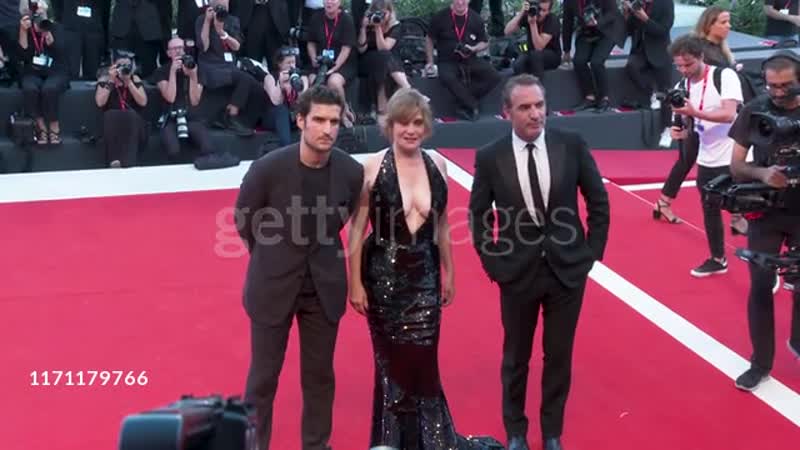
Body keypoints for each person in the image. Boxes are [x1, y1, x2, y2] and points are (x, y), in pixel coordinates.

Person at [347, 88, 499, 450]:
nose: (410, 130)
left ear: (427, 126)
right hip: (383, 275)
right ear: (390, 125)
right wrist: (354, 284)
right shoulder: (370, 167)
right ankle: (393, 442)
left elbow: (443, 225)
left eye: (417, 123)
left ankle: (432, 441)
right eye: (403, 122)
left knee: (424, 364)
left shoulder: (438, 164)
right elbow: (356, 230)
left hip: (426, 276)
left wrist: (450, 271)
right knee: (392, 367)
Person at [469, 74, 610, 450]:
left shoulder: (572, 144)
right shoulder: (489, 156)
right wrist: (493, 263)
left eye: (539, 106)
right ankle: (516, 430)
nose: (535, 114)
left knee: (558, 356)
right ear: (507, 113)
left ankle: (552, 433)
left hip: (567, 270)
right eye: (525, 107)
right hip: (516, 273)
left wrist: (590, 254)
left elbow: (598, 201)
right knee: (516, 357)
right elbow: (479, 216)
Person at [237, 85, 365, 450]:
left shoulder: (350, 171)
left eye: (334, 121)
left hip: (324, 286)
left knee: (320, 376)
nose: (328, 129)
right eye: (319, 120)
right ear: (300, 121)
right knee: (262, 379)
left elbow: (345, 220)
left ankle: (316, 445)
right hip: (272, 284)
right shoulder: (267, 169)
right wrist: (272, 256)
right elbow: (244, 220)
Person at [727, 51, 800, 390]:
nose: (778, 92)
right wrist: (762, 172)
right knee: (759, 286)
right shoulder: (754, 109)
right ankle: (760, 363)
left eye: (786, 85)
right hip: (767, 209)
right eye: (772, 85)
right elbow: (736, 165)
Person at [667, 35, 742, 277]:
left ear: (700, 57)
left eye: (687, 64)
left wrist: (694, 111)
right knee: (710, 210)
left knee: (749, 212)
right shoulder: (683, 86)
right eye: (678, 65)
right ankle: (718, 258)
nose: (683, 70)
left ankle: (771, 266)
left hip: (737, 155)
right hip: (707, 156)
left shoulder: (724, 76)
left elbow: (730, 114)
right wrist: (681, 130)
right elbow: (691, 124)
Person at [152, 37, 215, 161]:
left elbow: (195, 100)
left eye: (181, 48)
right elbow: (170, 97)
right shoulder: (161, 71)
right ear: (168, 53)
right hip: (170, 116)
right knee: (173, 150)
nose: (178, 51)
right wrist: (172, 72)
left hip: (191, 115)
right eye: (174, 49)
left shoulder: (196, 69)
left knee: (208, 147)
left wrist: (192, 76)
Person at [18, 2, 69, 145]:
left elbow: (62, 52)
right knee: (30, 88)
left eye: (43, 15)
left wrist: (50, 38)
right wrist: (23, 31)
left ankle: (54, 125)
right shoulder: (27, 29)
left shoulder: (57, 28)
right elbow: (24, 55)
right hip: (32, 71)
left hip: (56, 70)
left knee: (49, 89)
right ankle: (40, 125)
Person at [561, 0, 625, 112]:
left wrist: (598, 22)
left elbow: (613, 13)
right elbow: (567, 23)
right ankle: (590, 97)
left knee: (597, 62)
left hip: (608, 30)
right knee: (579, 61)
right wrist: (566, 50)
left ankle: (605, 99)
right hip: (586, 31)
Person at [356, 0, 415, 120]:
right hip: (367, 60)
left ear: (390, 12)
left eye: (383, 13)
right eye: (377, 13)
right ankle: (407, 88)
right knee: (383, 59)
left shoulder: (395, 26)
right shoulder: (368, 22)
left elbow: (384, 48)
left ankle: (383, 108)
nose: (380, 16)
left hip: (388, 61)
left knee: (383, 58)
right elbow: (361, 50)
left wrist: (377, 29)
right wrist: (363, 28)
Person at [307, 0, 358, 127]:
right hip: (321, 61)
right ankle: (318, 117)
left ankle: (343, 112)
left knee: (333, 81)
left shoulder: (346, 20)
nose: (329, 2)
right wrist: (313, 58)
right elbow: (311, 42)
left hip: (343, 62)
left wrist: (336, 67)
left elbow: (346, 49)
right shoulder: (316, 18)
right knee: (312, 79)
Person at [94, 52, 148, 167]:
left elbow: (143, 101)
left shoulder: (135, 78)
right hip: (112, 121)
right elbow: (100, 102)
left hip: (133, 120)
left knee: (131, 115)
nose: (123, 68)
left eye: (127, 65)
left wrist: (129, 83)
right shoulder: (105, 79)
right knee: (111, 115)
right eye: (120, 65)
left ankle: (130, 162)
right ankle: (114, 160)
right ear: (113, 66)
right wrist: (111, 81)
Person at [503, 0, 562, 80]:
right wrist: (522, 12)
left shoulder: (552, 20)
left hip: (552, 55)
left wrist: (532, 24)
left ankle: (538, 87)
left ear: (548, 11)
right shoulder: (530, 14)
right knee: (518, 64)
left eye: (544, 10)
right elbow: (507, 31)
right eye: (539, 9)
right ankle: (523, 88)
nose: (540, 13)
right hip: (531, 51)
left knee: (536, 55)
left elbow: (539, 47)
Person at [263, 45, 309, 146]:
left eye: (293, 62)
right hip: (274, 116)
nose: (292, 66)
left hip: (293, 116)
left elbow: (304, 101)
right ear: (279, 64)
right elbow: (276, 102)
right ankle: (286, 147)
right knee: (281, 110)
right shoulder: (270, 78)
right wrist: (280, 84)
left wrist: (298, 87)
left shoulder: (302, 77)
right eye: (288, 63)